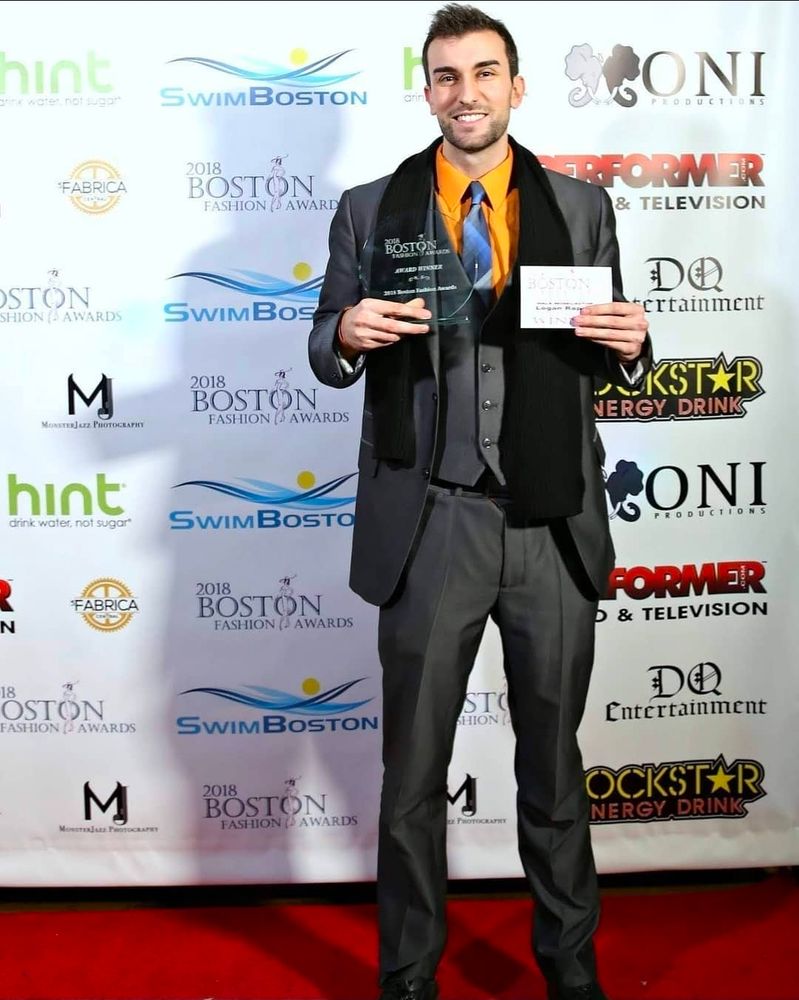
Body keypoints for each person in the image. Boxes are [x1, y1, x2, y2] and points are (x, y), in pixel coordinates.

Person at [308, 6, 651, 1000]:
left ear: (517, 85)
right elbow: (323, 342)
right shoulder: (370, 208)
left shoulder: (580, 205)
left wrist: (632, 346)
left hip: (549, 523)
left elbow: (607, 339)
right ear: (427, 90)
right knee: (410, 779)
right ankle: (408, 978)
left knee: (553, 772)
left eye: (484, 72)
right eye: (445, 75)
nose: (466, 92)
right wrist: (344, 333)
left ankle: (570, 974)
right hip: (429, 525)